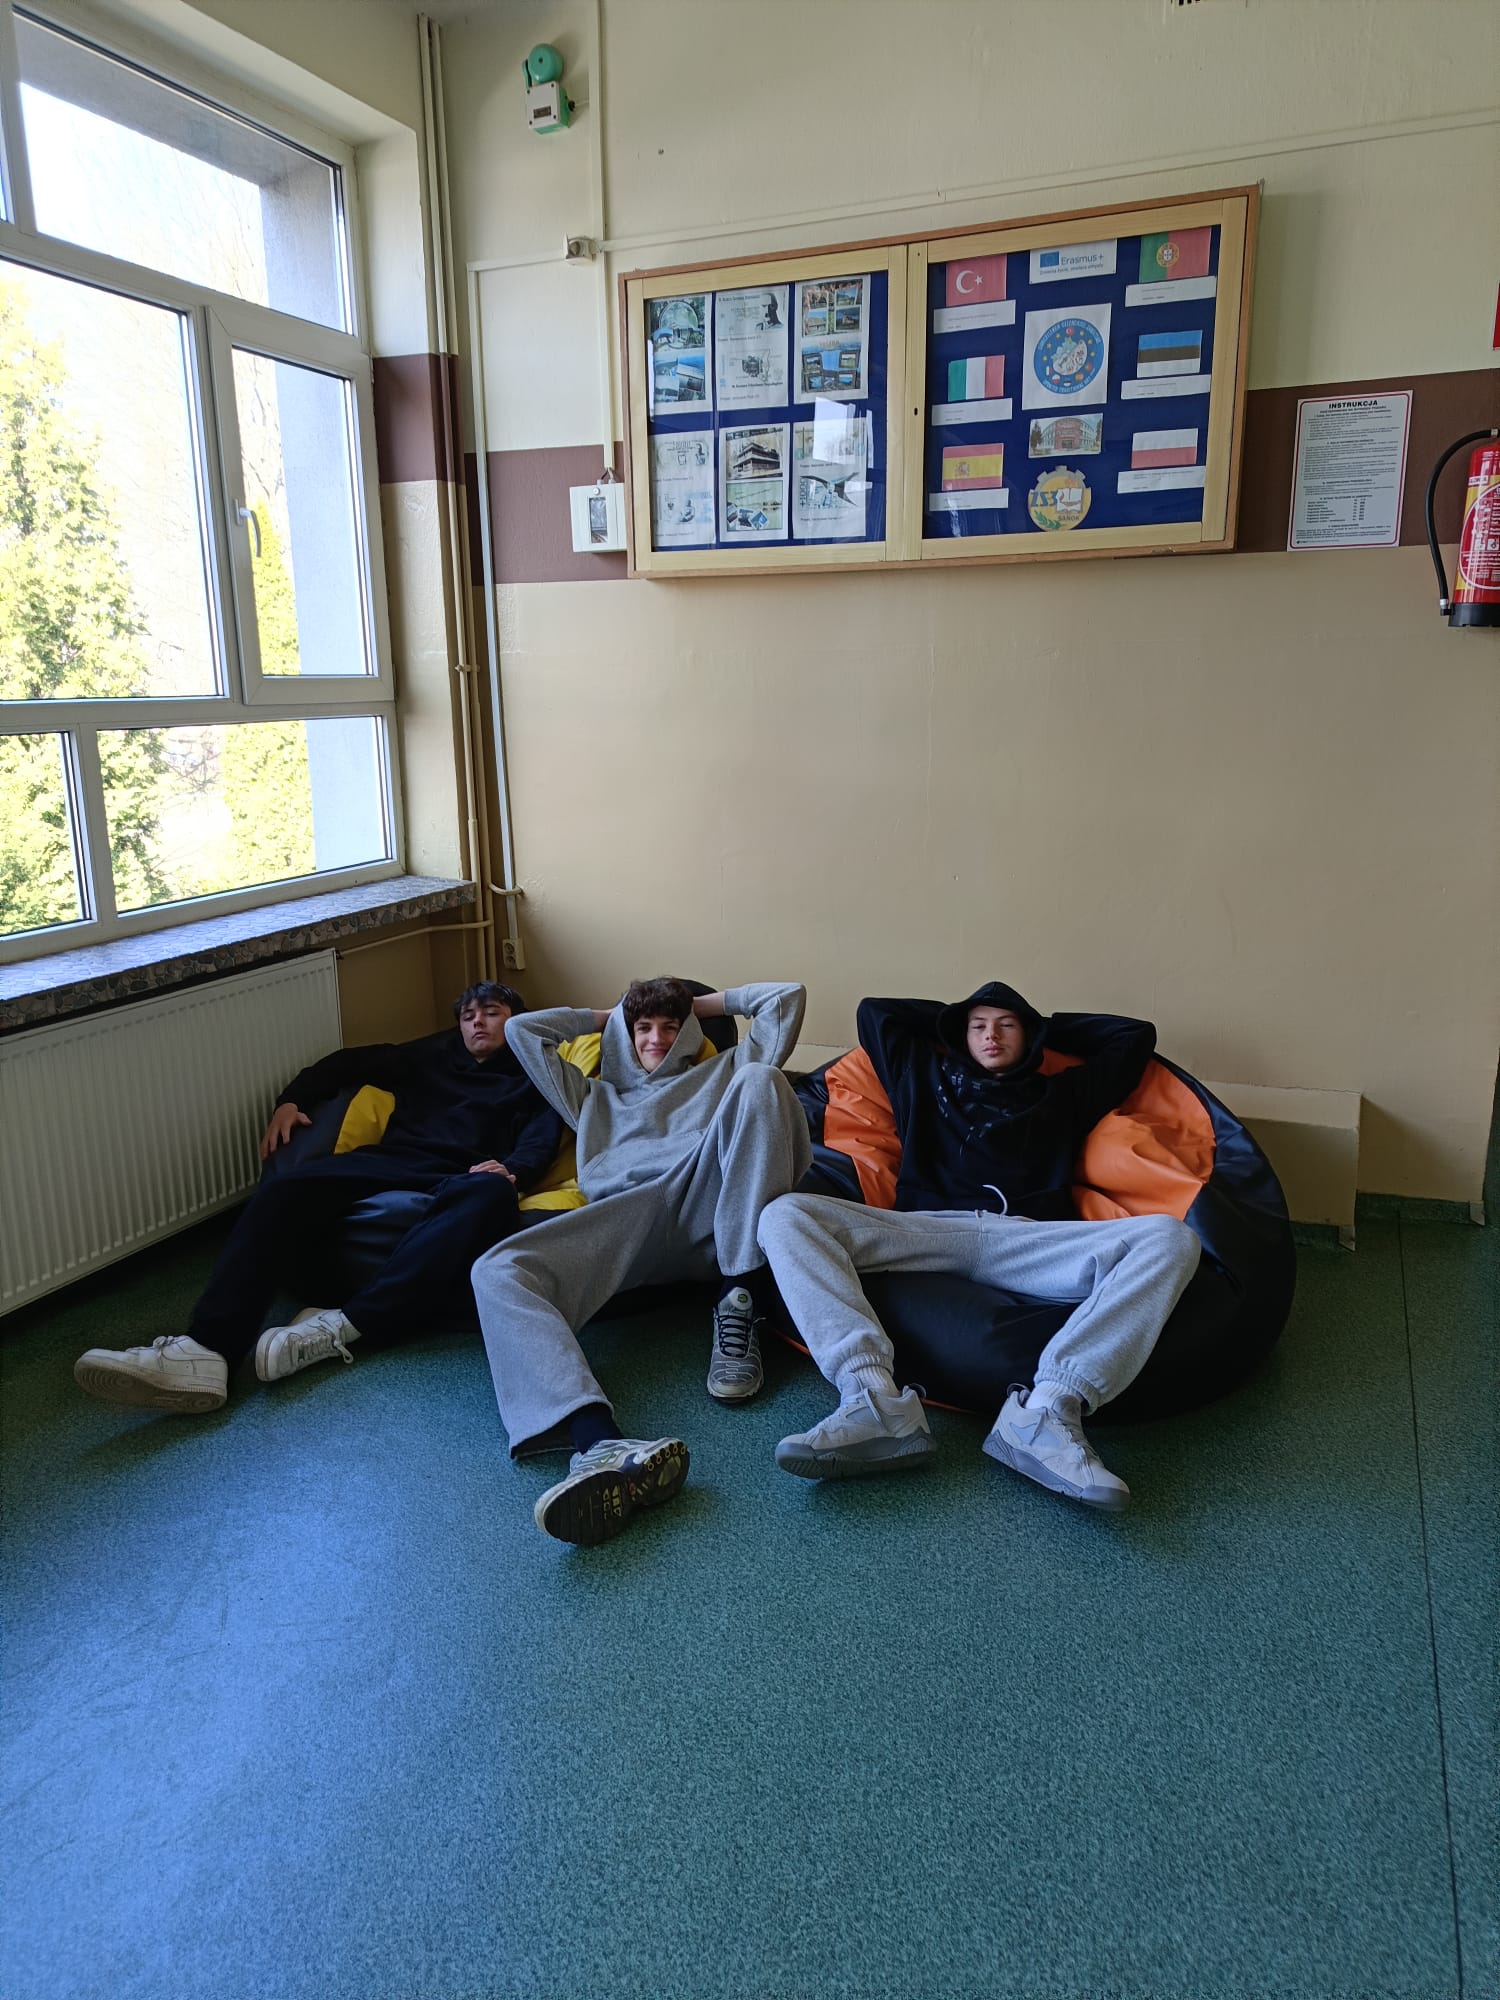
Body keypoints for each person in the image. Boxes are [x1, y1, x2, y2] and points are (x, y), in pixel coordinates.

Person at [759, 982, 1202, 1512]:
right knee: (785, 1215)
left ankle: (1049, 1411)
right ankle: (872, 1397)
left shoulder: (1065, 1093)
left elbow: (1134, 1036)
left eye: (1007, 1025)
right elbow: (876, 1012)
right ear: (959, 1035)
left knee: (1172, 1238)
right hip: (926, 1230)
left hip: (1030, 1240)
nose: (991, 1035)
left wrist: (1042, 1024)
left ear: (1030, 1036)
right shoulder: (921, 1074)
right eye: (978, 1027)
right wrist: (955, 1020)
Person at [73, 982, 564, 1415]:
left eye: (492, 1013)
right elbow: (346, 1063)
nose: (477, 1022)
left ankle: (347, 1324)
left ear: (516, 1021)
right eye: (468, 1015)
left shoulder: (532, 1071)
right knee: (286, 1186)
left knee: (493, 1195)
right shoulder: (430, 1054)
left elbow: (543, 1136)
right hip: (393, 1159)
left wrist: (513, 1170)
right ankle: (207, 1350)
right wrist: (290, 1101)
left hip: (466, 1172)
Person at [472, 976, 809, 1546]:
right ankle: (598, 1443)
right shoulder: (591, 1096)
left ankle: (740, 1296)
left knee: (762, 1080)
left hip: (709, 1200)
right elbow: (524, 1031)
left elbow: (786, 1000)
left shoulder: (721, 1070)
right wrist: (612, 1014)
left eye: (670, 1027)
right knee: (497, 1270)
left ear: (690, 1031)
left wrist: (694, 1003)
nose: (656, 1039)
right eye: (644, 1029)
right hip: (627, 1219)